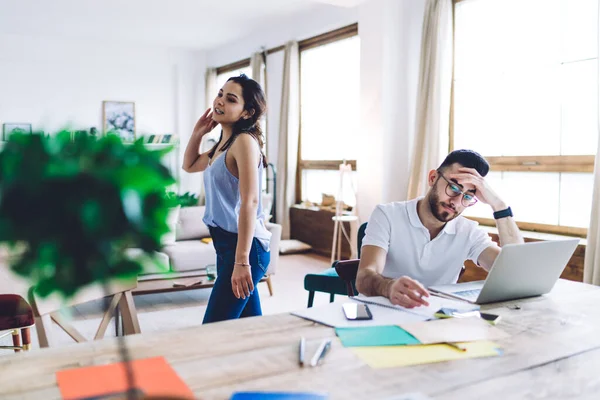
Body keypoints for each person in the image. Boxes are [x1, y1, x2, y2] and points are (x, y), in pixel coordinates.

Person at [355, 149, 524, 308]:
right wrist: (388, 287)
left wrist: (499, 205)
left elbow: (515, 273)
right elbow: (363, 278)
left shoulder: (469, 232)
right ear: (433, 178)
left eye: (467, 196)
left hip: (435, 320)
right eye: (454, 187)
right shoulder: (387, 215)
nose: (456, 201)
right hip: (382, 313)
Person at [183, 74, 271, 323]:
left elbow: (250, 202)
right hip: (225, 246)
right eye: (220, 94)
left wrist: (242, 261)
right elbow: (189, 165)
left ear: (246, 113)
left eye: (230, 99)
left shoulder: (244, 142)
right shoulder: (222, 144)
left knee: (213, 328)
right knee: (249, 327)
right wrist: (198, 132)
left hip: (245, 249)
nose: (220, 101)